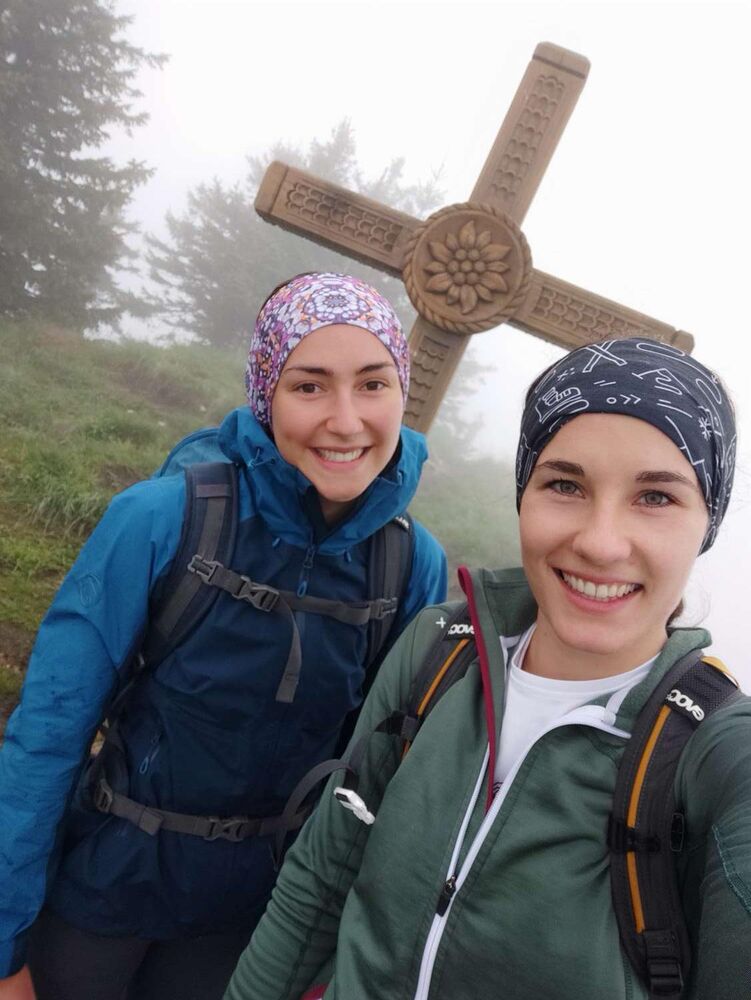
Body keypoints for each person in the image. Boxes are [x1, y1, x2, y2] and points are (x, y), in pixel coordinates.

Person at [225, 337, 750, 1000]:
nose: (599, 542)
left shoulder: (720, 756)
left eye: (655, 498)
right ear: (523, 494)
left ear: (707, 524)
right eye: (564, 484)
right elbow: (319, 883)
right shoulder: (439, 650)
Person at [0, 272, 447, 1000]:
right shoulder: (160, 518)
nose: (345, 420)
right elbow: (48, 733)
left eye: (373, 384)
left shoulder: (409, 563)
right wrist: (3, 943)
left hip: (250, 928)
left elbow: (380, 780)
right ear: (266, 394)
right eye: (309, 386)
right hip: (102, 892)